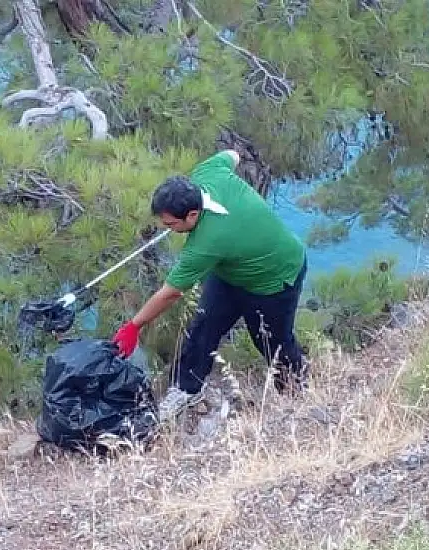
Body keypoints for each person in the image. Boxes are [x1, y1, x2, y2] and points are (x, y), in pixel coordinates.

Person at [112, 149, 308, 417]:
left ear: (192, 215)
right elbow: (232, 154)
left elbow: (170, 293)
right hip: (231, 272)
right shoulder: (208, 172)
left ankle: (296, 394)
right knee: (203, 329)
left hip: (274, 279)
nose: (168, 229)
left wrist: (134, 326)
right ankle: (186, 390)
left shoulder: (207, 242)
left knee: (272, 342)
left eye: (171, 224)